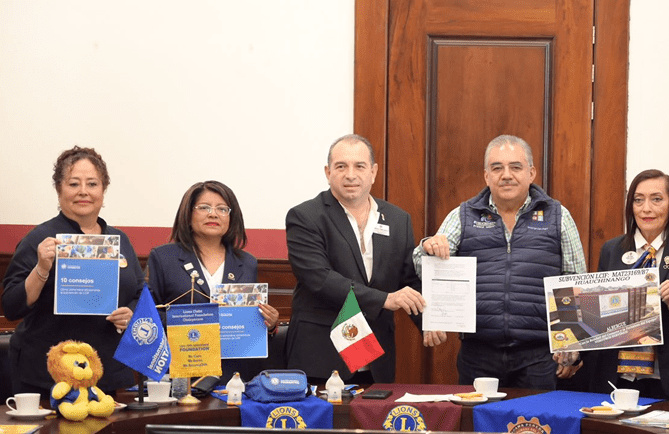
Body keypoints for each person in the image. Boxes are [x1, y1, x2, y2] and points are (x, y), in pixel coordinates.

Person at [417, 135, 587, 390]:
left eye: (515, 167)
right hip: (478, 355)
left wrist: (572, 346)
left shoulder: (558, 216)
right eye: (497, 168)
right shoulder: (462, 215)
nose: (506, 175)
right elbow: (422, 265)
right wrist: (427, 246)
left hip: (539, 357)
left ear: (531, 173)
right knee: (478, 427)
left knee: (535, 428)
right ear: (487, 176)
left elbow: (575, 283)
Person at [285, 134, 438, 386]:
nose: (350, 174)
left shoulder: (398, 219)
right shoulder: (305, 217)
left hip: (376, 359)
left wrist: (430, 321)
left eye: (360, 166)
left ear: (374, 172)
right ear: (328, 172)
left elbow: (409, 280)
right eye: (341, 166)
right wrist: (385, 299)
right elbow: (319, 279)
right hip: (322, 357)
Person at [1, 147, 144, 395]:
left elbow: (139, 292)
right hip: (48, 375)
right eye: (73, 184)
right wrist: (41, 269)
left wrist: (130, 312)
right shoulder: (40, 238)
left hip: (105, 372)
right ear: (59, 190)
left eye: (92, 184)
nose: (83, 192)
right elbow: (12, 306)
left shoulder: (118, 240)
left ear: (103, 190)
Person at [586, 170, 669, 403]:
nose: (646, 208)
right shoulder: (612, 249)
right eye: (638, 200)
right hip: (619, 378)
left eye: (656, 199)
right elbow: (597, 316)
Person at [146, 180, 279, 381]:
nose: (213, 214)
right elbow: (148, 315)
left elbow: (251, 326)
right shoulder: (164, 258)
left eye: (222, 209)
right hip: (182, 372)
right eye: (204, 207)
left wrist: (269, 324)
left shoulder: (247, 263)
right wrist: (197, 322)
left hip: (234, 376)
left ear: (231, 218)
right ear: (188, 213)